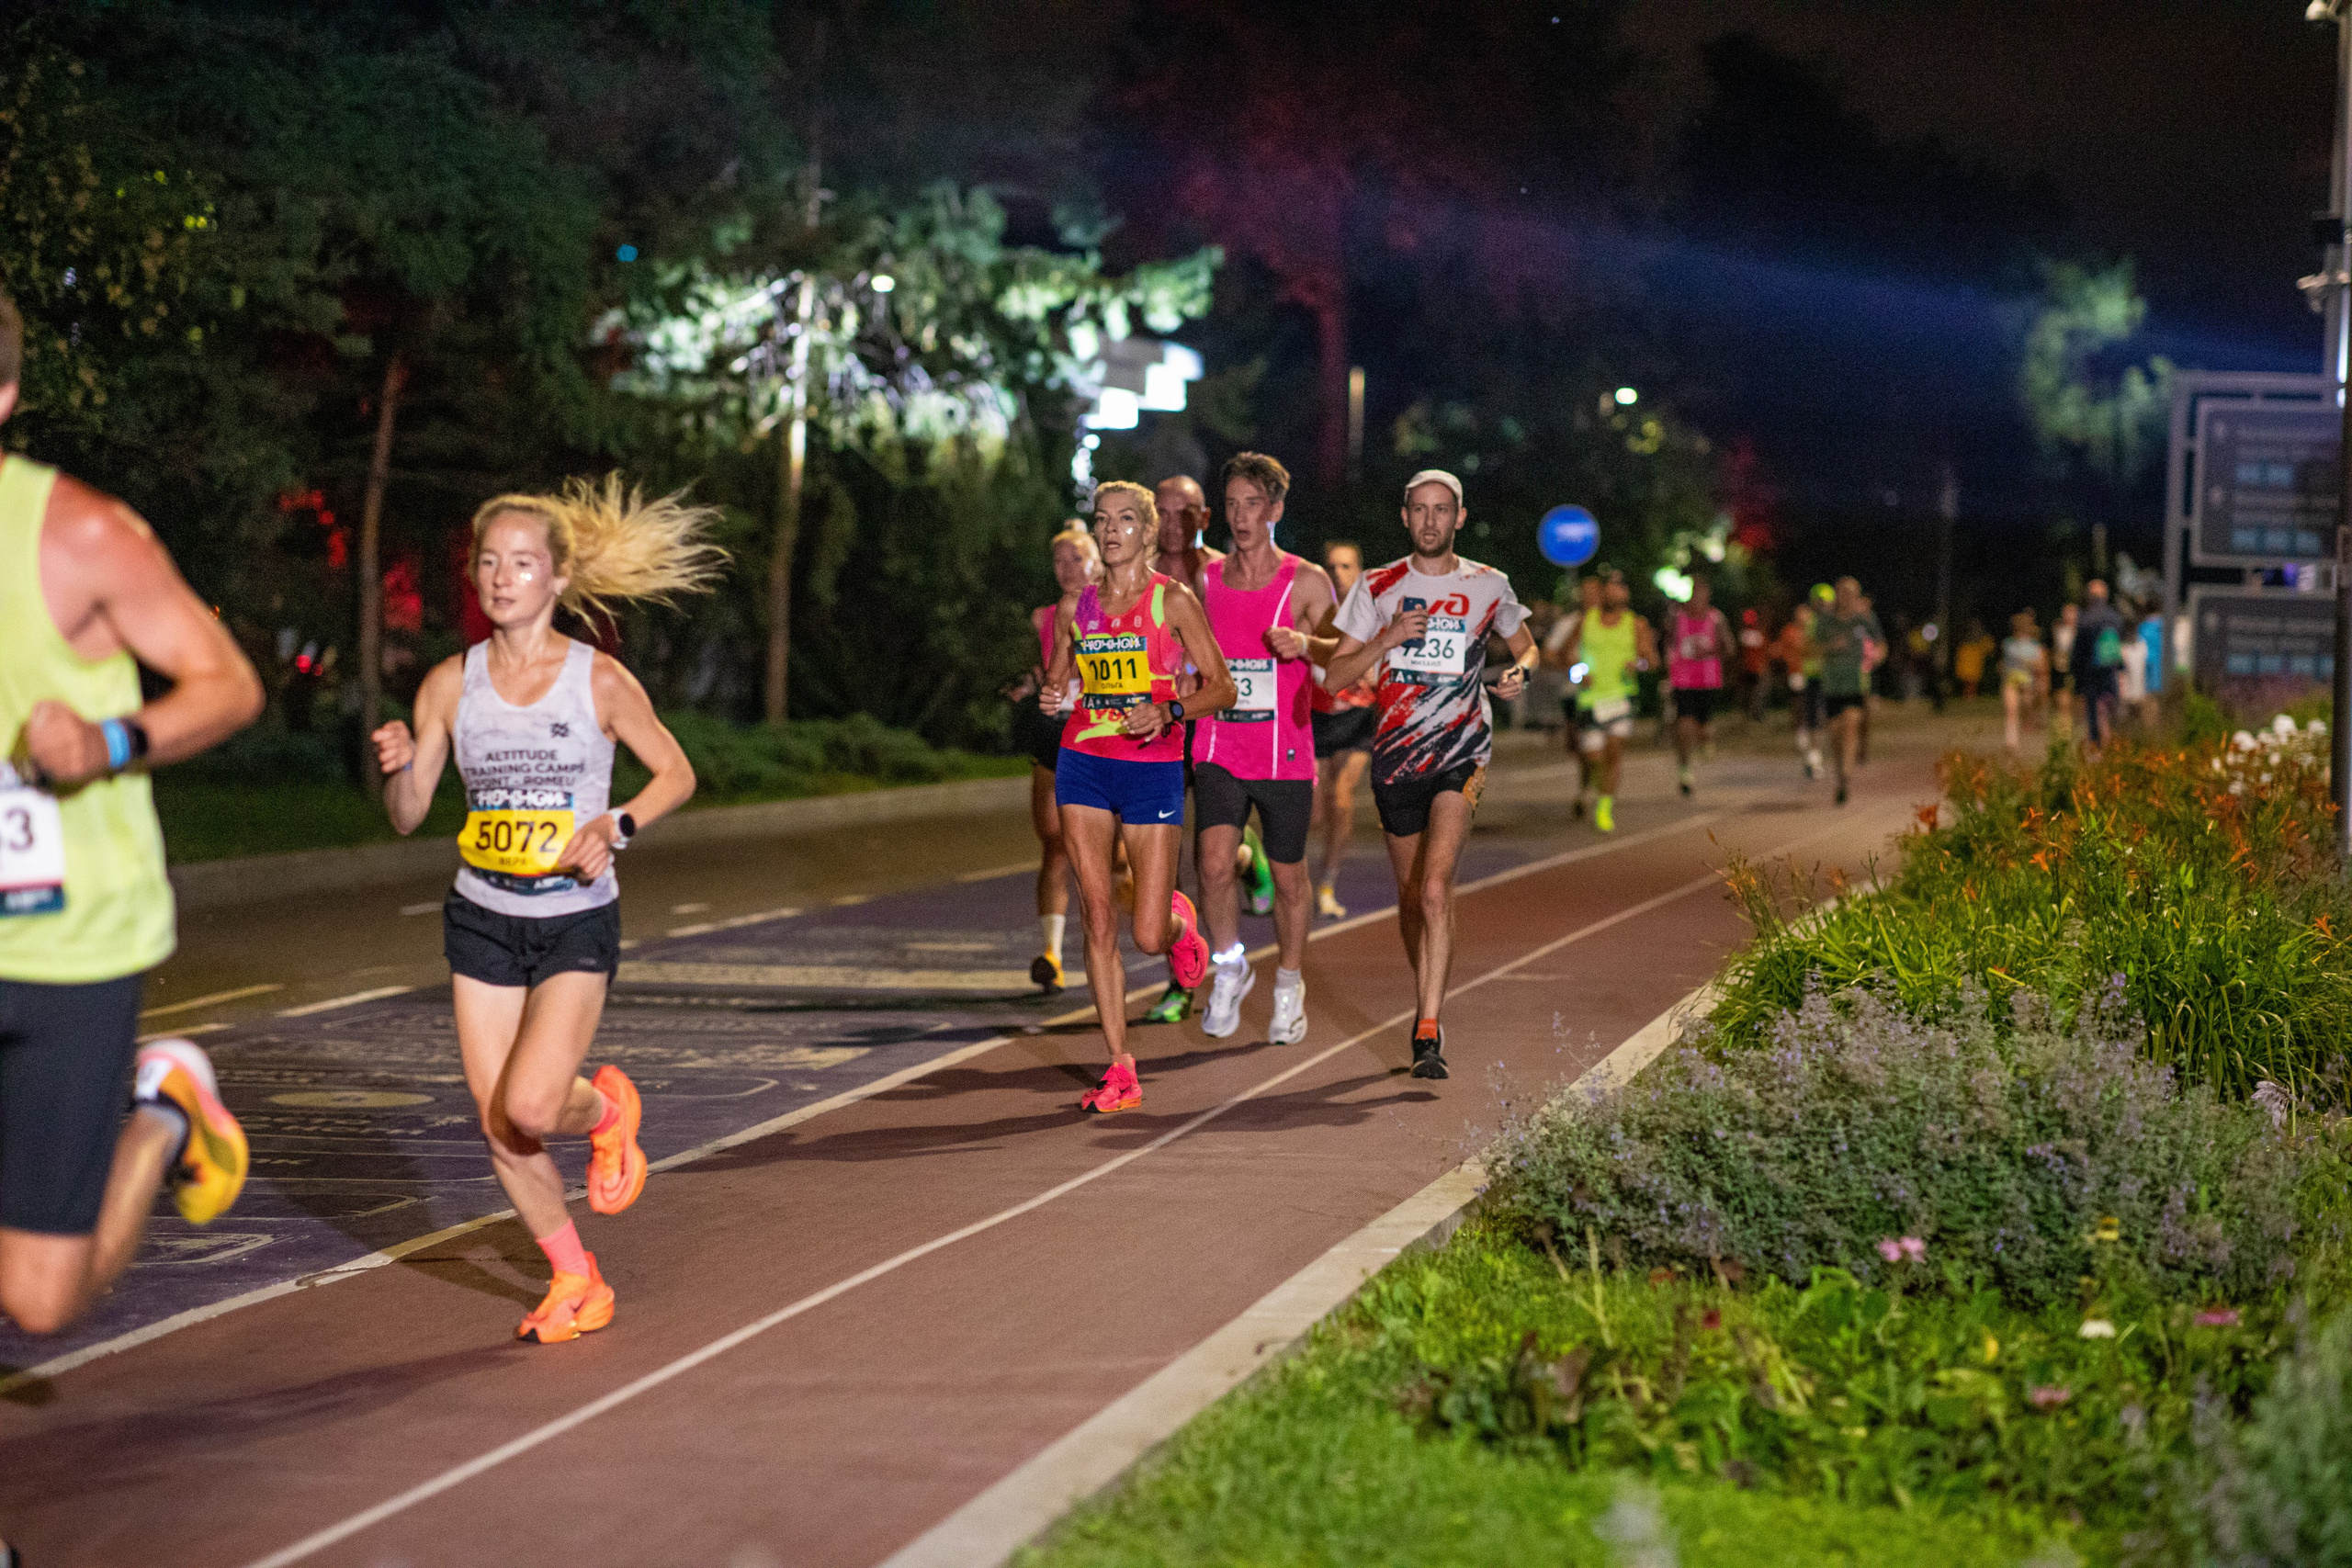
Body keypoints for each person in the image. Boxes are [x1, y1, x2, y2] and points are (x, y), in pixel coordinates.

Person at [372, 475, 721, 1344]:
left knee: (530, 1106)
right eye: (489, 562)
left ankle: (607, 1112)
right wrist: (401, 767)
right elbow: (409, 814)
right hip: (482, 914)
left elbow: (677, 773)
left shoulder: (596, 679)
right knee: (498, 1122)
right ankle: (575, 1276)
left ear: (558, 577)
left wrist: (616, 825)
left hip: (573, 917)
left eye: (523, 563)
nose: (503, 578)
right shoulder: (448, 685)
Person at [0, 292, 266, 1354]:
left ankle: (163, 1110)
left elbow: (230, 685)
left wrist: (106, 742)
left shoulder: (80, 535)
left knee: (39, 1303)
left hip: (70, 941)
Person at [1325, 470, 1534, 1080]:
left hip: (1461, 750)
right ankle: (1428, 992)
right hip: (1396, 757)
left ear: (1459, 517)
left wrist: (1521, 671)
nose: (1431, 520)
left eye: (1442, 510)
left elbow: (1526, 647)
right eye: (1420, 509)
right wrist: (1387, 637)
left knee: (1437, 889)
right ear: (1405, 516)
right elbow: (1335, 677)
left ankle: (1427, 1026)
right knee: (1412, 897)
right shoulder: (1377, 585)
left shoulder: (1488, 583)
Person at [1039, 481, 1233, 1114]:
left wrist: (1170, 709)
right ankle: (1120, 1067)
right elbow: (1060, 679)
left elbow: (1223, 687)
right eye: (1102, 520)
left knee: (1147, 934)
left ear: (1148, 532)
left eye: (1125, 520)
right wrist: (1050, 694)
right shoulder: (1076, 607)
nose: (1111, 530)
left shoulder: (1171, 600)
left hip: (1151, 765)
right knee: (1097, 915)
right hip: (1084, 762)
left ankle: (1180, 927)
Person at [1193, 454, 1336, 1044]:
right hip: (1219, 744)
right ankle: (1230, 968)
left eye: (1252, 504)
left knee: (1288, 878)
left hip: (1283, 752)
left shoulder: (1306, 581)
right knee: (1213, 865)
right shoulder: (1205, 581)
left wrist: (1305, 643)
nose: (1241, 516)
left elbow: (1342, 655)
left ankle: (1289, 984)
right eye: (1232, 504)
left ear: (1275, 509)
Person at [1139, 474, 1224, 1025]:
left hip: (1214, 728)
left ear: (1205, 518)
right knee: (1159, 864)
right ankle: (1180, 979)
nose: (1173, 524)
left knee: (1210, 856)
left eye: (1185, 513)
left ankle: (1246, 858)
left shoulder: (1223, 574)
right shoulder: (1137, 577)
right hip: (1157, 729)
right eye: (1163, 513)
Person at [1010, 525, 1102, 993]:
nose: (1067, 569)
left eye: (1076, 559)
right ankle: (1052, 955)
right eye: (1059, 561)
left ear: (1096, 561)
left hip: (1100, 734)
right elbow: (1038, 670)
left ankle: (1170, 931)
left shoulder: (1114, 612)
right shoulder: (1041, 618)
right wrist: (1026, 685)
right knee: (1054, 844)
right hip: (1054, 732)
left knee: (1115, 857)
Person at [1555, 567, 1653, 832]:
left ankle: (1604, 807)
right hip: (1590, 701)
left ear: (1626, 593)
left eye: (1619, 587)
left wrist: (1638, 665)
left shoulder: (1636, 623)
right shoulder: (1586, 621)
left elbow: (1650, 661)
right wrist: (1578, 673)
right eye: (1610, 587)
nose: (1614, 592)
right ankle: (1598, 791)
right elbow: (1565, 655)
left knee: (1614, 753)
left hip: (1621, 698)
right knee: (1593, 757)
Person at [1309, 540, 1377, 919]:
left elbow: (1384, 668)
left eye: (1346, 566)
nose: (1338, 573)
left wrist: (1372, 673)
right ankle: (1280, 873)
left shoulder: (1374, 614)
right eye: (1331, 566)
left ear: (1360, 572)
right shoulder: (1313, 612)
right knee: (1313, 813)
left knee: (1341, 795)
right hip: (1317, 716)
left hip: (1357, 718)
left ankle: (1327, 883)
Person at [1812, 576, 1883, 806]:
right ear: (1837, 595)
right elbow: (1809, 648)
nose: (1846, 598)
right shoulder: (1826, 621)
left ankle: (1846, 774)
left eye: (1851, 593)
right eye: (1842, 593)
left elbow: (1881, 644)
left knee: (1851, 724)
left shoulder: (1865, 619)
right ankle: (1840, 775)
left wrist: (1877, 655)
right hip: (1832, 684)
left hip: (1856, 683)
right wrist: (1830, 647)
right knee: (1835, 732)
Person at [1544, 573, 1605, 817]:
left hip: (1605, 693)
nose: (1590, 598)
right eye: (1585, 594)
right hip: (1573, 693)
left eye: (1594, 594)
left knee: (1596, 744)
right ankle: (1588, 784)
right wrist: (1570, 668)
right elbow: (1549, 654)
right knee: (1579, 745)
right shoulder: (1568, 623)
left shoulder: (1612, 623)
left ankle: (1591, 791)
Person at [1665, 576, 1734, 796]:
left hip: (1708, 680)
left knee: (1704, 726)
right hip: (1683, 680)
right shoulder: (1677, 618)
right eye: (1695, 595)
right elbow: (1667, 643)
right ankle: (1685, 770)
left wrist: (1710, 651)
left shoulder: (1716, 619)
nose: (1698, 600)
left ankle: (1706, 741)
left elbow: (1729, 647)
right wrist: (1668, 665)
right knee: (1685, 723)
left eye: (1702, 595)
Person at [2074, 579, 2127, 754]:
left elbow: (2078, 653)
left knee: (2096, 715)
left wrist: (2077, 682)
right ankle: (2114, 748)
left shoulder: (2086, 618)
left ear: (2089, 597)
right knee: (2111, 712)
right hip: (2112, 673)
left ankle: (2100, 750)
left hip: (2092, 674)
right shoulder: (2115, 618)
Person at [1775, 598, 1824, 777]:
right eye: (1799, 614)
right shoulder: (1789, 631)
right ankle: (1801, 732)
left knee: (1815, 715)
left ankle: (1815, 756)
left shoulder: (1818, 631)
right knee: (1799, 707)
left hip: (1815, 678)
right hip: (1796, 675)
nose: (1803, 617)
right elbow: (1783, 651)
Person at [2001, 610, 2049, 753]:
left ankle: (2031, 722)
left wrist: (2031, 663)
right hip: (2011, 681)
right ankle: (2011, 741)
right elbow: (2005, 663)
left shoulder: (2035, 646)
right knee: (2011, 711)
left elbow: (2041, 665)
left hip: (2028, 683)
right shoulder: (2008, 644)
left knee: (2027, 706)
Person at [1739, 606, 1771, 720]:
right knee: (1758, 692)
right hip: (1755, 668)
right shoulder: (1749, 634)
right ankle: (1756, 714)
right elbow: (1759, 652)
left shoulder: (1748, 634)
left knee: (1755, 692)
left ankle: (1754, 713)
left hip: (1754, 668)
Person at [1953, 621, 1995, 700]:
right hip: (1968, 659)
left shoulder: (1980, 640)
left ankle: (1971, 695)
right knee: (1968, 680)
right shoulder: (1964, 642)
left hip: (1974, 660)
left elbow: (1988, 647)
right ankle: (1968, 695)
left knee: (1973, 680)